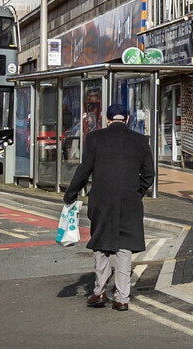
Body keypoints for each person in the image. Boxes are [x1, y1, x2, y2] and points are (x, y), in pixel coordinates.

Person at [61, 103, 155, 311]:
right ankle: (122, 298)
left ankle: (99, 291)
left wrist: (71, 193)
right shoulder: (140, 141)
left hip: (102, 199)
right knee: (124, 248)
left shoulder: (95, 138)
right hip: (130, 201)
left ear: (106, 119)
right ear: (128, 119)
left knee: (101, 245)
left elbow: (84, 169)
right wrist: (136, 192)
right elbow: (149, 174)